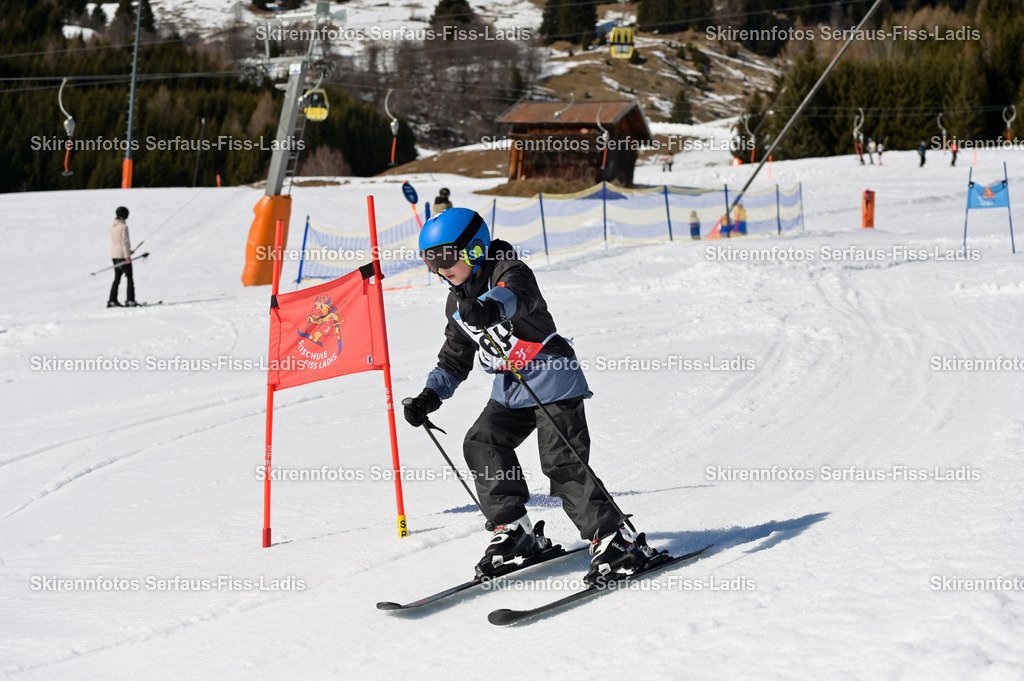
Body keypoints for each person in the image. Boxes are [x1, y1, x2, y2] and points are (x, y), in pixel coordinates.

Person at [403, 207, 657, 584]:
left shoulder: (509, 270)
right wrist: (429, 396)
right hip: (512, 387)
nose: (440, 268)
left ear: (475, 248)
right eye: (430, 261)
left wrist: (489, 307)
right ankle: (515, 531)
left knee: (561, 461)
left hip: (553, 378)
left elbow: (515, 296)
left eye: (445, 256)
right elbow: (454, 358)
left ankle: (614, 538)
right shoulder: (456, 302)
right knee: (482, 442)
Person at [108, 206, 138, 307]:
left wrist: (128, 251)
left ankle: (112, 301)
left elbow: (118, 243)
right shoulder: (123, 227)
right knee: (129, 278)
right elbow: (124, 242)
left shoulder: (113, 227)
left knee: (117, 278)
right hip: (123, 256)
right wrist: (127, 256)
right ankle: (130, 300)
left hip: (114, 255)